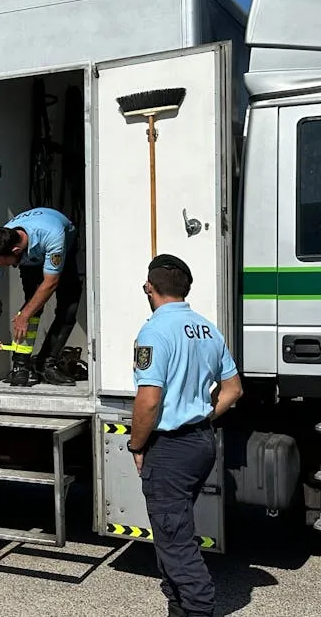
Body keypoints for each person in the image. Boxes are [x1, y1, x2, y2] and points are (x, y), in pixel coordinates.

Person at [126, 254, 243, 617]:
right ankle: (178, 607)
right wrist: (203, 416)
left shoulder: (154, 332)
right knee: (173, 530)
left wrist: (136, 444)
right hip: (200, 441)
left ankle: (196, 608)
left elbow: (148, 402)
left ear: (149, 288)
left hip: (171, 449)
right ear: (186, 288)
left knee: (174, 541)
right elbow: (233, 390)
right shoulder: (207, 328)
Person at [0, 206, 83, 387]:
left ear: (16, 250)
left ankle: (47, 364)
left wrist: (25, 315)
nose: (2, 267)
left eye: (4, 263)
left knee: (69, 307)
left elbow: (50, 283)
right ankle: (20, 366)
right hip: (31, 257)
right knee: (32, 305)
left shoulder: (51, 234)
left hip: (61, 246)